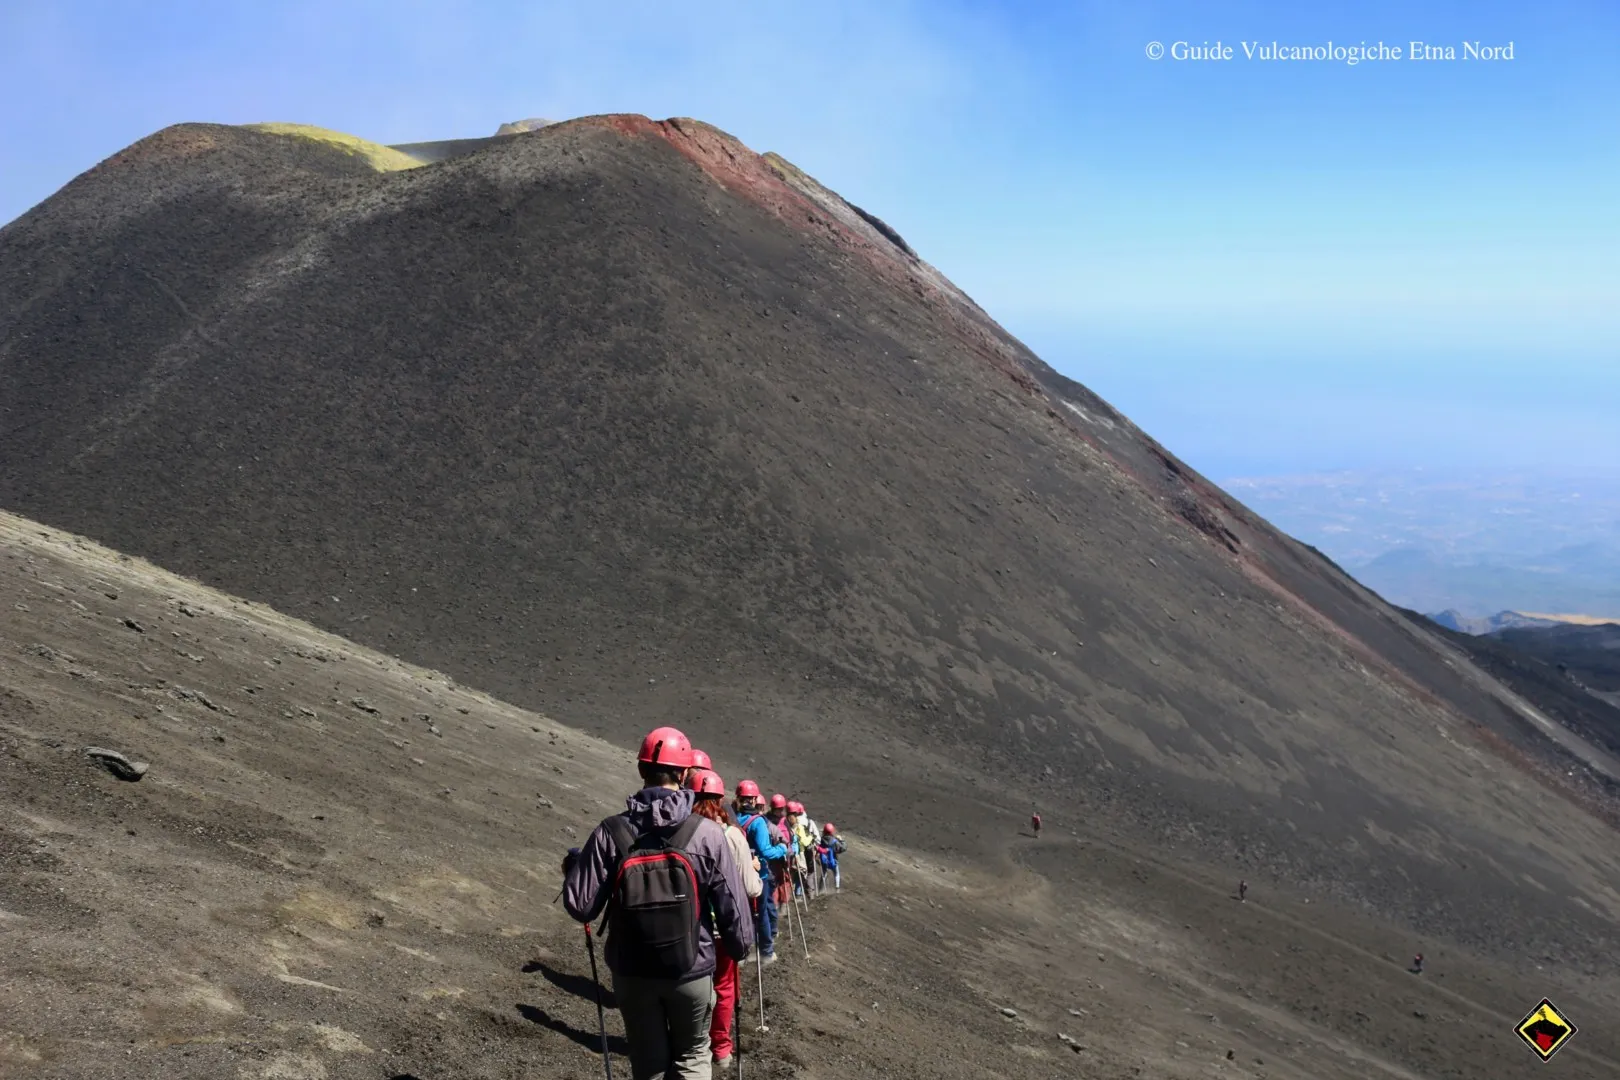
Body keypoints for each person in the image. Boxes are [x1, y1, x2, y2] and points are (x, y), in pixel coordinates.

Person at [562, 727, 753, 1080]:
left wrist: (576, 867)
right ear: (684, 775)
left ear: (641, 770)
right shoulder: (708, 834)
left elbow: (580, 906)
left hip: (632, 972)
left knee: (648, 1062)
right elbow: (734, 911)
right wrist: (740, 948)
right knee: (693, 1056)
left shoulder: (611, 831)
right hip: (691, 971)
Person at [688, 768, 760, 1070]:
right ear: (721, 799)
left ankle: (693, 1043)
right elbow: (751, 887)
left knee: (693, 986)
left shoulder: (681, 830)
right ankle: (721, 1049)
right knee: (724, 987)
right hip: (723, 930)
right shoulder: (731, 834)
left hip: (689, 929)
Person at [735, 780, 788, 964]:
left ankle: (743, 951)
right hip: (759, 874)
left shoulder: (733, 818)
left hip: (737, 873)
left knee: (743, 913)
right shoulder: (757, 822)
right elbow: (765, 851)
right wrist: (782, 849)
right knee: (762, 912)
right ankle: (766, 951)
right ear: (755, 799)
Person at [765, 794, 795, 909]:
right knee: (777, 881)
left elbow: (790, 837)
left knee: (782, 880)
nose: (780, 812)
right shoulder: (771, 821)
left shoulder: (774, 820)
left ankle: (781, 906)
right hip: (776, 856)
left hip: (780, 855)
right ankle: (777, 906)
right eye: (779, 809)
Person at [788, 801, 818, 900]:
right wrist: (811, 838)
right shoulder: (806, 823)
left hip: (791, 852)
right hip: (801, 852)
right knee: (804, 872)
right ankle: (802, 894)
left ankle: (795, 894)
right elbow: (806, 842)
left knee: (795, 874)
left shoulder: (786, 824)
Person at [817, 822, 845, 892]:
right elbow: (842, 848)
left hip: (824, 862)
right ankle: (837, 888)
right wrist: (842, 840)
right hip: (834, 861)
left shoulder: (821, 840)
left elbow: (818, 848)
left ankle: (820, 889)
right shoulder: (835, 841)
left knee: (824, 874)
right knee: (836, 874)